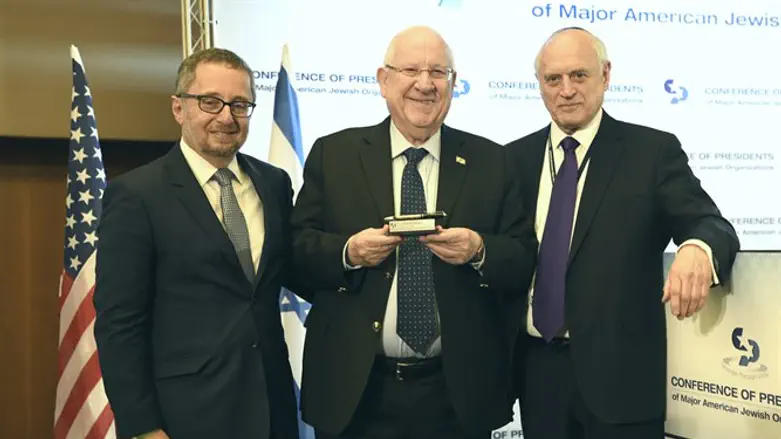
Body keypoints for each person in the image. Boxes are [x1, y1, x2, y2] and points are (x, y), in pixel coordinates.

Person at [290, 26, 537, 439]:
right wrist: (348, 253)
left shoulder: (493, 162)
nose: (425, 84)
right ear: (383, 80)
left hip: (457, 394)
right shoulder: (334, 155)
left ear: (453, 84)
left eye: (438, 72)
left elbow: (521, 259)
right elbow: (295, 254)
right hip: (355, 392)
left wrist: (479, 250)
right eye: (410, 70)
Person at [505, 27, 740, 439]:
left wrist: (698, 249)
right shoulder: (512, 159)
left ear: (606, 75)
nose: (566, 90)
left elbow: (711, 224)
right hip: (537, 376)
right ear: (540, 84)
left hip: (623, 383)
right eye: (553, 79)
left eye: (579, 75)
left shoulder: (651, 152)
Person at [93, 48, 299, 439]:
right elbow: (119, 323)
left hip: (273, 410)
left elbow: (291, 271)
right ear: (178, 108)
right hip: (184, 417)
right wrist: (142, 426)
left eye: (239, 104)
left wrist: (350, 253)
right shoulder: (136, 195)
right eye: (210, 102)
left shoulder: (274, 184)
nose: (226, 116)